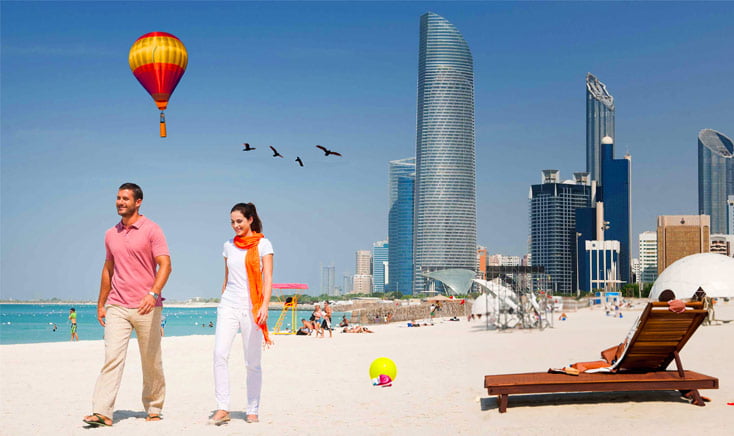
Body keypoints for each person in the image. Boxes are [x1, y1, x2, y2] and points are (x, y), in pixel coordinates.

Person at [83, 183, 171, 428]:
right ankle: (102, 412)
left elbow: (165, 265)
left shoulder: (152, 230)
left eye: (125, 198)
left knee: (151, 360)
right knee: (112, 358)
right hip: (118, 306)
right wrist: (101, 302)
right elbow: (108, 268)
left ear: (138, 201)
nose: (120, 202)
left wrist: (152, 294)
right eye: (118, 198)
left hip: (147, 306)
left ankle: (154, 407)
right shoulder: (110, 234)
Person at [210, 203, 273, 426]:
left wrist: (264, 305)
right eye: (232, 222)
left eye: (239, 221)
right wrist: (222, 299)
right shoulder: (228, 245)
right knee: (219, 354)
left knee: (252, 361)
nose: (235, 225)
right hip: (229, 304)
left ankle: (252, 409)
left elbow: (267, 279)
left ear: (250, 220)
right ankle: (222, 407)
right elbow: (227, 277)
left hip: (252, 306)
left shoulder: (263, 244)